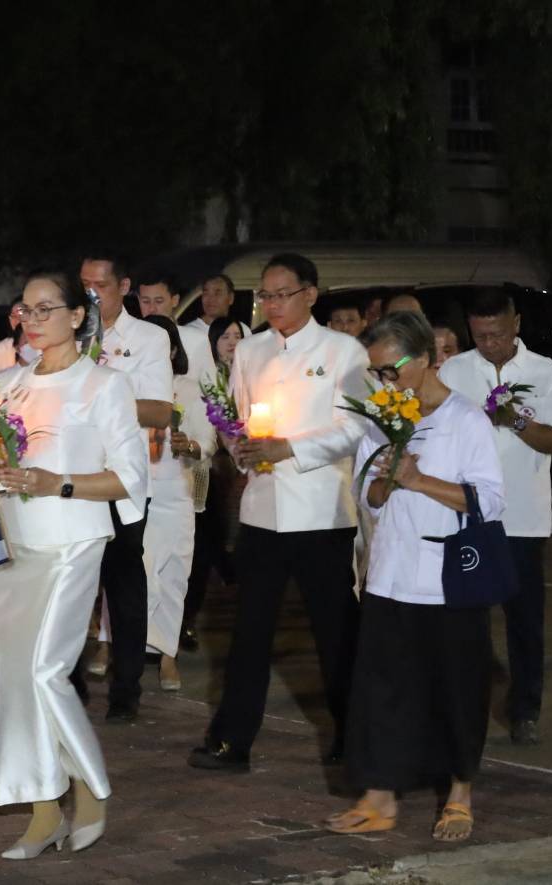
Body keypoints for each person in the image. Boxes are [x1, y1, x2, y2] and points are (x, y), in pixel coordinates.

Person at [0, 270, 147, 859]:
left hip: (74, 542)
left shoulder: (103, 385)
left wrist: (60, 483)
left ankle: (92, 791)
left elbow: (130, 479)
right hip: (13, 547)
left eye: (47, 307)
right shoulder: (4, 382)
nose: (33, 318)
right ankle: (44, 809)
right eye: (25, 309)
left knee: (47, 669)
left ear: (78, 315)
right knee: (14, 679)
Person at [324, 312, 503, 842]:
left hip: (450, 581)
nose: (384, 382)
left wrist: (420, 479)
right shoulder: (382, 418)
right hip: (391, 576)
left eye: (390, 369)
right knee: (382, 689)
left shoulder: (466, 420)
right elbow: (367, 496)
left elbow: (490, 502)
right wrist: (384, 482)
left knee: (457, 688)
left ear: (426, 358)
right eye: (376, 373)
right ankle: (379, 794)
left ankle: (460, 793)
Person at [189, 253, 366, 772]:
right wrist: (239, 446)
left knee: (336, 634)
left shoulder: (342, 351)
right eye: (263, 296)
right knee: (249, 631)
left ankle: (355, 737)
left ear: (310, 294)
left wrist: (290, 449)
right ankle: (231, 740)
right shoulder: (251, 350)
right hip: (263, 511)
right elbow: (244, 421)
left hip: (322, 512)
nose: (270, 305)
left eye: (280, 294)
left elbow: (356, 427)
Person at [438, 288, 552, 746]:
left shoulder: (545, 373)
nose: (489, 343)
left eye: (496, 334)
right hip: (468, 516)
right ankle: (461, 704)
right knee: (465, 617)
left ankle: (525, 710)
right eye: (480, 336)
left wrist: (514, 420)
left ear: (516, 324)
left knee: (524, 622)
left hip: (522, 518)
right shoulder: (455, 371)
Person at [79, 253, 172, 722]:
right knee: (74, 582)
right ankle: (69, 682)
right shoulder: (69, 337)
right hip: (73, 477)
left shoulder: (149, 337)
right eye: (85, 286)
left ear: (125, 286)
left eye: (102, 285)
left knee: (124, 585)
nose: (93, 295)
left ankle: (126, 687)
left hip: (121, 479)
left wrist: (101, 400)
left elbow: (159, 411)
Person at [136, 314, 214, 692]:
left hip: (177, 490)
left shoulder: (189, 389)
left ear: (172, 349)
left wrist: (192, 446)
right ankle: (115, 645)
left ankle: (168, 656)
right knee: (137, 571)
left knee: (174, 574)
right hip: (135, 490)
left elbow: (208, 442)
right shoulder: (126, 388)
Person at [180, 317, 251, 652]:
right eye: (224, 336)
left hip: (240, 468)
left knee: (214, 541)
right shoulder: (205, 379)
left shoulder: (250, 376)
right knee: (202, 544)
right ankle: (186, 617)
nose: (232, 342)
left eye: (238, 335)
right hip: (206, 469)